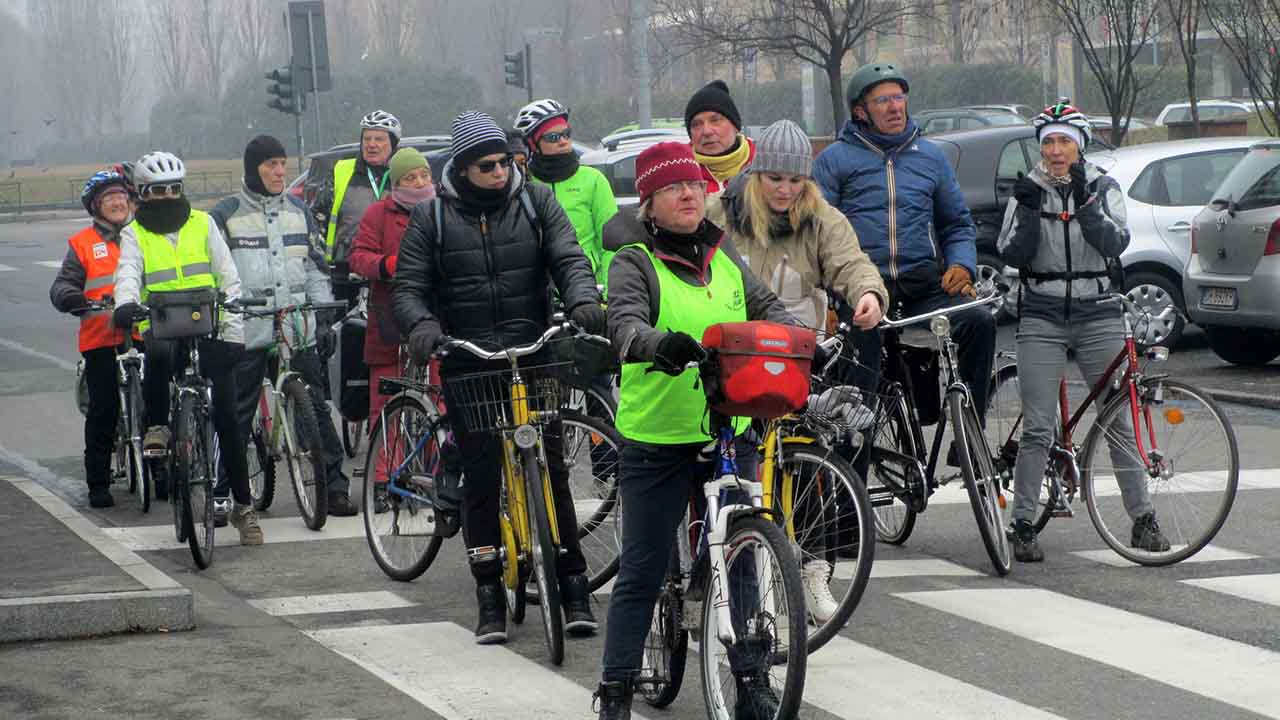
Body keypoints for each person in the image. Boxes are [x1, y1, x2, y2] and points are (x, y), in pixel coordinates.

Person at [594, 141, 795, 720]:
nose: (688, 195)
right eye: (672, 188)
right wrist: (660, 345)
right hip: (658, 435)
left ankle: (751, 676)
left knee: (742, 551)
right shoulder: (633, 260)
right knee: (642, 565)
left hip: (727, 427)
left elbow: (766, 307)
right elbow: (624, 325)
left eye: (695, 186)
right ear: (650, 205)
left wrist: (797, 344)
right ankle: (615, 691)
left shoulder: (722, 255)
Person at [391, 111, 607, 644]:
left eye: (506, 162)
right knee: (483, 473)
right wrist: (422, 327)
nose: (499, 172)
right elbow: (409, 287)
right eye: (486, 165)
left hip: (534, 349)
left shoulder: (537, 202)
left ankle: (573, 584)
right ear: (462, 170)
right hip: (469, 357)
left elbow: (569, 258)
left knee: (552, 465)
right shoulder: (431, 220)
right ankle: (488, 591)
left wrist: (581, 300)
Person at [706, 119, 887, 622]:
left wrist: (867, 295)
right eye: (775, 179)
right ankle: (711, 574)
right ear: (757, 175)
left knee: (809, 464)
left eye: (795, 180)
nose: (785, 190)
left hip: (796, 359)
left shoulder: (822, 219)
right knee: (726, 469)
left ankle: (813, 573)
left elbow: (852, 264)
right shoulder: (720, 214)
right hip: (733, 360)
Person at [997, 101, 1170, 562]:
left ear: (1080, 145)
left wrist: (1087, 204)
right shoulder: (1027, 190)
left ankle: (1143, 518)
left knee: (1117, 421)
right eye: (1049, 142)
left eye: (1064, 142)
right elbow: (1013, 255)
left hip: (1097, 315)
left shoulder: (1102, 186)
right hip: (1041, 315)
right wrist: (1031, 213)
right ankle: (1022, 524)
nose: (1056, 151)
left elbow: (1116, 243)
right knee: (1037, 426)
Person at [813, 61, 996, 432]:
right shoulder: (835, 160)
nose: (895, 107)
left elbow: (956, 223)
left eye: (899, 98)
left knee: (979, 322)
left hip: (922, 283)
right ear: (861, 111)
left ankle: (971, 434)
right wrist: (826, 299)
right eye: (883, 101)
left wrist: (962, 264)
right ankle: (853, 469)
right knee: (858, 379)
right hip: (863, 288)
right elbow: (814, 233)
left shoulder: (930, 157)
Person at [112, 152, 261, 545]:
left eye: (174, 189)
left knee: (228, 418)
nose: (167, 196)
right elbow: (127, 272)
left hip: (209, 324)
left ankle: (244, 508)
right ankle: (158, 427)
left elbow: (228, 278)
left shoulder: (204, 224)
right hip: (160, 324)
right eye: (158, 190)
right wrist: (125, 303)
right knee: (158, 357)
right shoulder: (134, 233)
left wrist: (233, 333)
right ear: (143, 194)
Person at [212, 135, 358, 519]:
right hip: (247, 328)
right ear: (253, 168)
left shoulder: (299, 211)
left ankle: (335, 489)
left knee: (316, 409)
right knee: (237, 413)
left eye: (282, 164)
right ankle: (223, 491)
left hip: (297, 324)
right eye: (270, 165)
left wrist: (323, 314)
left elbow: (314, 267)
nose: (279, 172)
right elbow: (217, 275)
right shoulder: (225, 215)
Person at [349, 146, 435, 511]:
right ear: (396, 182)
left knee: (438, 398)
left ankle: (437, 472)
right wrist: (386, 265)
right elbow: (358, 256)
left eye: (423, 175)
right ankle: (384, 479)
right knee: (386, 404)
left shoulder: (442, 208)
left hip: (434, 316)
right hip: (389, 320)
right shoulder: (378, 214)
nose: (419, 182)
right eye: (409, 178)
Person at [49, 170, 139, 508]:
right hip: (102, 337)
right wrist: (73, 298)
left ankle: (161, 474)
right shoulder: (83, 244)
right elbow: (62, 286)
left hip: (142, 333)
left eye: (121, 197)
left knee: (162, 402)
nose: (117, 203)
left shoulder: (142, 237)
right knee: (103, 409)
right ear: (96, 207)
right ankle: (98, 483)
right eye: (108, 198)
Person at [514, 98, 619, 292]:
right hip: (538, 292)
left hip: (588, 287)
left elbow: (611, 243)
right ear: (533, 144)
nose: (563, 141)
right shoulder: (523, 184)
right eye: (553, 137)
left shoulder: (593, 180)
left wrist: (608, 290)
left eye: (566, 134)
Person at [312, 109, 402, 306]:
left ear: (393, 144)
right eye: (367, 138)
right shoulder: (341, 171)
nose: (371, 144)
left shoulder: (404, 174)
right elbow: (317, 219)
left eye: (379, 139)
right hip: (344, 271)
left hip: (391, 271)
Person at [685, 80, 757, 194]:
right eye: (696, 124)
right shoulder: (679, 175)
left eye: (715, 120)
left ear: (735, 126)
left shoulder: (763, 168)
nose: (707, 131)